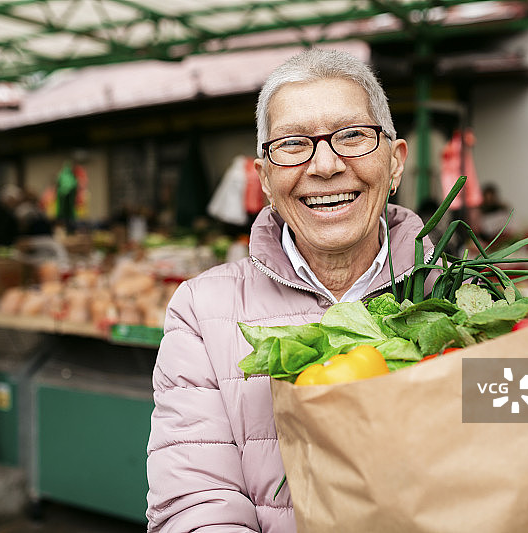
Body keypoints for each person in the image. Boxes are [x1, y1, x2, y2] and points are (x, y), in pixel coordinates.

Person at [145, 48, 434, 532]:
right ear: (265, 179)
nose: (324, 165)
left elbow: (527, 466)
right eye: (293, 144)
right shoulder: (202, 310)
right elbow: (195, 505)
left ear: (395, 162)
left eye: (352, 136)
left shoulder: (472, 297)